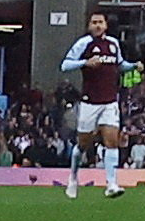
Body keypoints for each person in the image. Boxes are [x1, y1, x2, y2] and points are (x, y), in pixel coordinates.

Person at [56, 10, 130, 199]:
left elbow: (120, 64)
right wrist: (85, 63)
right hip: (90, 102)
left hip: (110, 101)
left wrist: (133, 66)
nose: (97, 25)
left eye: (100, 22)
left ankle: (111, 183)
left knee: (111, 141)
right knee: (83, 144)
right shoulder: (84, 44)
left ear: (106, 25)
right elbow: (65, 65)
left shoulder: (113, 44)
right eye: (94, 22)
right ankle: (73, 178)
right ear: (89, 26)